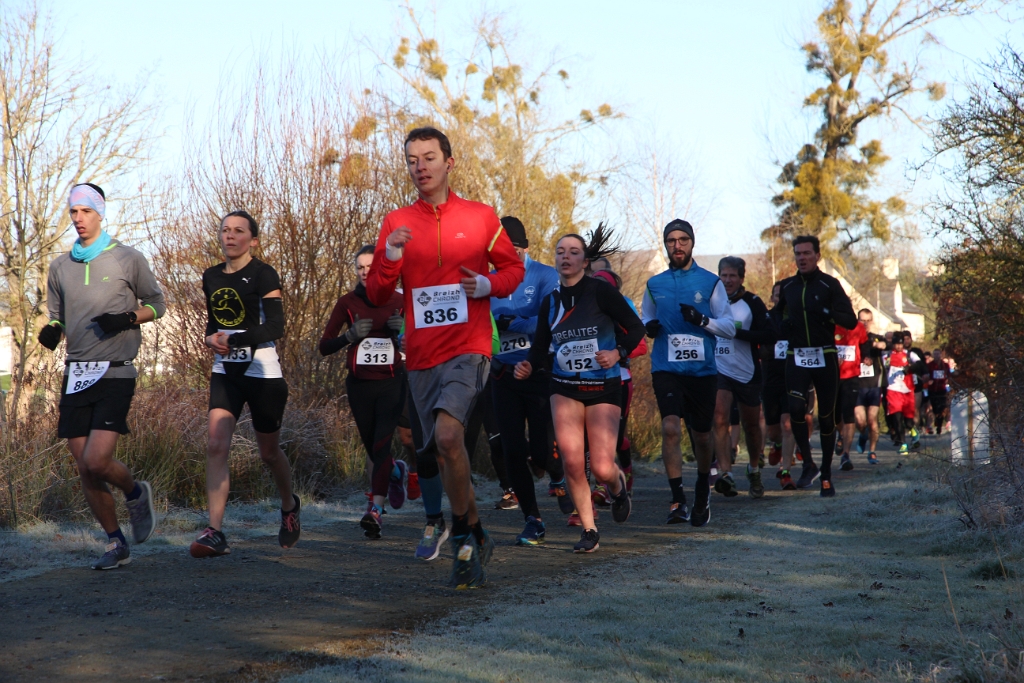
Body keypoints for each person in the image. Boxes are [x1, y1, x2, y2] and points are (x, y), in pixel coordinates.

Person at [365, 126, 524, 588]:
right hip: (421, 355)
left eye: (429, 157)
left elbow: (513, 269)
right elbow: (377, 294)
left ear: (448, 163)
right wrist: (390, 255)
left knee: (450, 436)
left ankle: (461, 542)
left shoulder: (480, 216)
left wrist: (487, 285)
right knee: (439, 449)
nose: (420, 167)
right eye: (412, 160)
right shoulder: (396, 222)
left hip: (469, 346)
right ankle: (475, 529)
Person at [39, 183, 165, 570]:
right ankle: (115, 542)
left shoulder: (128, 258)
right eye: (73, 212)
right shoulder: (60, 267)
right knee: (84, 466)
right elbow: (58, 316)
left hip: (116, 371)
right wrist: (53, 330)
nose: (78, 218)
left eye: (86, 211)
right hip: (76, 372)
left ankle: (134, 491)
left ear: (100, 213)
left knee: (97, 460)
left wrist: (127, 318)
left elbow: (157, 304)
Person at [514, 226, 645, 553]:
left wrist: (617, 353)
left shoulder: (601, 292)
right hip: (564, 387)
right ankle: (589, 529)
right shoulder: (550, 302)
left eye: (573, 252)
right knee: (572, 462)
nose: (566, 257)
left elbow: (636, 328)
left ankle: (617, 487)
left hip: (603, 386)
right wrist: (529, 365)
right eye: (560, 252)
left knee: (601, 466)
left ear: (585, 261)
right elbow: (540, 347)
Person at [190, 210, 300, 558]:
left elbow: (276, 326)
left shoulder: (264, 274)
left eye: (239, 231)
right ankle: (215, 531)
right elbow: (213, 325)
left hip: (263, 374)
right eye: (225, 230)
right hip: (226, 372)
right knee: (216, 444)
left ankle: (289, 504)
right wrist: (211, 340)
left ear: (253, 240)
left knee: (268, 453)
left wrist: (235, 340)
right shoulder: (211, 276)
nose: (230, 236)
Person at [642, 219, 735, 526]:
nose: (677, 245)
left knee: (702, 435)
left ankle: (702, 490)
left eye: (683, 239)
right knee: (670, 427)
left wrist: (702, 321)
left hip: (702, 371)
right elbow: (646, 317)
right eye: (671, 240)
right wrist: (649, 327)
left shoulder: (710, 282)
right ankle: (677, 500)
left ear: (692, 243)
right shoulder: (654, 284)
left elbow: (730, 328)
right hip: (666, 368)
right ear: (666, 245)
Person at [489, 216, 571, 545]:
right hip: (503, 374)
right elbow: (482, 321)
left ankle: (558, 475)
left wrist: (512, 322)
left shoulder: (545, 276)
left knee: (540, 453)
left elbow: (550, 319)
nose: (507, 254)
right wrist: (498, 323)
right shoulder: (488, 280)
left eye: (513, 248)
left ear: (525, 248)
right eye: (500, 249)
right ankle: (532, 519)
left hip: (538, 372)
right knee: (511, 449)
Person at [319, 245, 408, 539]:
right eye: (360, 267)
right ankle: (396, 472)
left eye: (371, 267)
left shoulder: (401, 301)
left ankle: (376, 510)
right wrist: (349, 336)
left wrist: (402, 331)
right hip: (359, 385)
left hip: (392, 382)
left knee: (381, 445)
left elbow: (421, 341)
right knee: (372, 447)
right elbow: (324, 346)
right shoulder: (347, 302)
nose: (365, 272)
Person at [772, 236, 857, 497]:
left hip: (825, 355)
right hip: (797, 355)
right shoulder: (788, 286)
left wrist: (828, 314)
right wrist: (781, 326)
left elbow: (850, 320)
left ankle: (827, 475)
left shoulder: (829, 284)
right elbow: (776, 314)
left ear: (817, 256)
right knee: (796, 409)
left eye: (807, 253)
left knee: (827, 418)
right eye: (798, 253)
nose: (802, 258)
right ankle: (809, 464)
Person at [709, 257, 772, 499]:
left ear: (741, 278)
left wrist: (737, 333)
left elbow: (770, 334)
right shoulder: (711, 302)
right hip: (720, 369)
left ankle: (754, 468)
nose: (727, 280)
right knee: (719, 418)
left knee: (751, 426)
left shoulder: (752, 302)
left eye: (732, 276)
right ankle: (726, 473)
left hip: (747, 371)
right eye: (723, 275)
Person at [590, 268, 646, 507]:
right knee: (593, 436)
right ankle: (601, 486)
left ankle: (623, 475)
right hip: (590, 380)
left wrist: (618, 353)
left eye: (603, 283)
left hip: (620, 378)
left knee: (615, 437)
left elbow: (641, 345)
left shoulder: (624, 306)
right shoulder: (583, 307)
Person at [762, 281, 798, 490]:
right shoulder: (765, 318)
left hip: (792, 378)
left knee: (787, 425)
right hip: (770, 379)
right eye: (777, 295)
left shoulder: (796, 318)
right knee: (774, 431)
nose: (781, 299)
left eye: (784, 295)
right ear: (772, 298)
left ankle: (786, 472)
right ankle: (776, 444)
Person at [834, 315, 871, 472]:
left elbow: (864, 344)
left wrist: (866, 356)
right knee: (835, 415)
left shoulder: (858, 327)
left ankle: (846, 455)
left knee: (849, 413)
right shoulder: (830, 324)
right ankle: (841, 434)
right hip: (833, 376)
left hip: (852, 377)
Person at [853, 309, 887, 465]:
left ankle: (872, 452)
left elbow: (889, 344)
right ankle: (863, 434)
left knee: (872, 420)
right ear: (857, 320)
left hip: (874, 385)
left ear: (872, 321)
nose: (865, 323)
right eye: (862, 320)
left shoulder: (876, 338)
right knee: (860, 421)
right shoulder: (853, 338)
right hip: (858, 385)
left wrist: (883, 344)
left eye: (868, 320)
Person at [884, 333, 916, 453]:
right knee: (897, 419)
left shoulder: (909, 354)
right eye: (896, 344)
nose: (898, 346)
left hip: (907, 391)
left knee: (908, 422)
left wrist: (910, 367)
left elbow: (920, 365)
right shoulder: (887, 356)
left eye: (900, 344)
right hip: (893, 391)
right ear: (893, 344)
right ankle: (903, 444)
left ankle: (913, 430)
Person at [926, 348, 954, 434]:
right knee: (934, 408)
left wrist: (947, 380)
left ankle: (939, 426)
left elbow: (949, 375)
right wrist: (928, 380)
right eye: (935, 354)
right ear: (933, 355)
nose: (936, 356)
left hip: (942, 390)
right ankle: (935, 422)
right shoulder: (930, 365)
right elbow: (927, 376)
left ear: (941, 355)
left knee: (941, 408)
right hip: (932, 389)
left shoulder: (945, 365)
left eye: (938, 354)